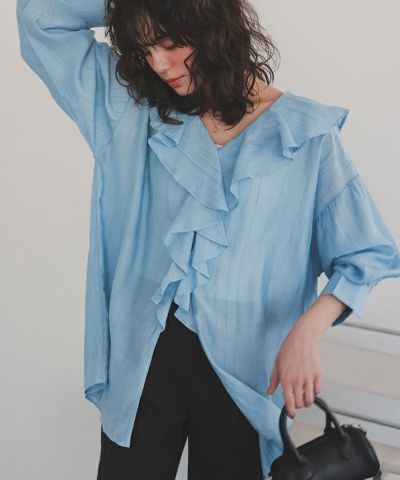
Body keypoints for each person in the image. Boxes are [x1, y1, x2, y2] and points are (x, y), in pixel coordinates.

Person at [16, 0, 400, 479]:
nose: (159, 64)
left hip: (247, 368)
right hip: (145, 355)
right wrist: (133, 4)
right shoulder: (132, 109)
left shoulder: (305, 136)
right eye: (145, 48)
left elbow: (366, 254)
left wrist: (306, 333)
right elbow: (40, 17)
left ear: (213, 26)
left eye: (170, 43)